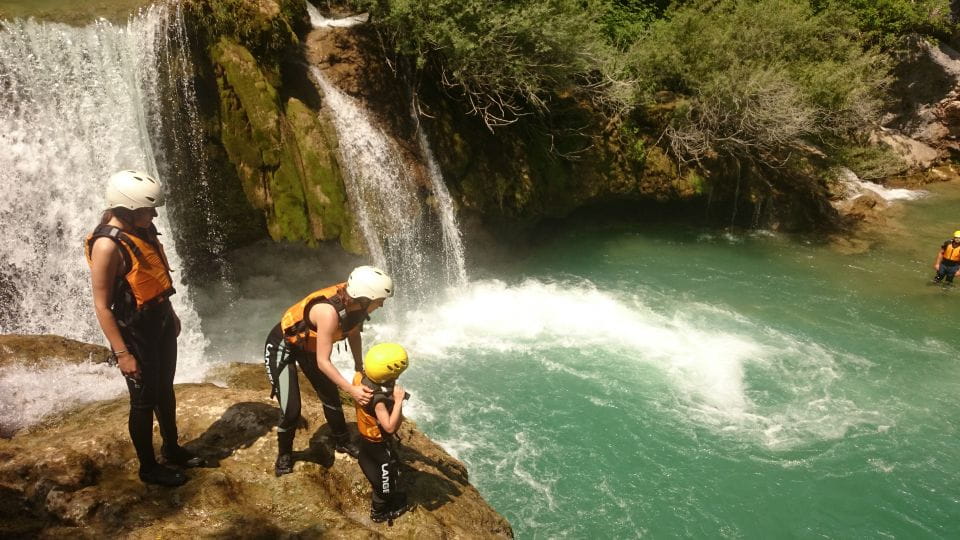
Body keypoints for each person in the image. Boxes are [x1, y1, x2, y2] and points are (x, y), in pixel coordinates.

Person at [86, 170, 203, 487]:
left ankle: (172, 448)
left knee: (165, 389)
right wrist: (122, 353)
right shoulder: (106, 246)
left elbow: (154, 277)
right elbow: (102, 305)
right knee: (143, 400)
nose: (153, 216)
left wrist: (171, 313)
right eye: (147, 210)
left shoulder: (142, 229)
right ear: (125, 208)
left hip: (159, 318)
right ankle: (148, 468)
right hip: (135, 329)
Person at [263, 265, 393, 476]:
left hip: (310, 347)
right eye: (379, 301)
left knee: (331, 395)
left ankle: (342, 440)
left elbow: (353, 334)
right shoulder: (328, 313)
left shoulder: (356, 305)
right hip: (284, 346)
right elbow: (323, 362)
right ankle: (284, 453)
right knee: (291, 409)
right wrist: (351, 389)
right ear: (364, 298)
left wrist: (359, 367)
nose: (382, 304)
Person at [353, 343, 411, 523]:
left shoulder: (360, 377)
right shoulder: (378, 401)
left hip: (366, 439)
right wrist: (399, 401)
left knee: (377, 464)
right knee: (385, 481)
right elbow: (389, 427)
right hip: (377, 443)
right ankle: (379, 512)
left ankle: (383, 494)